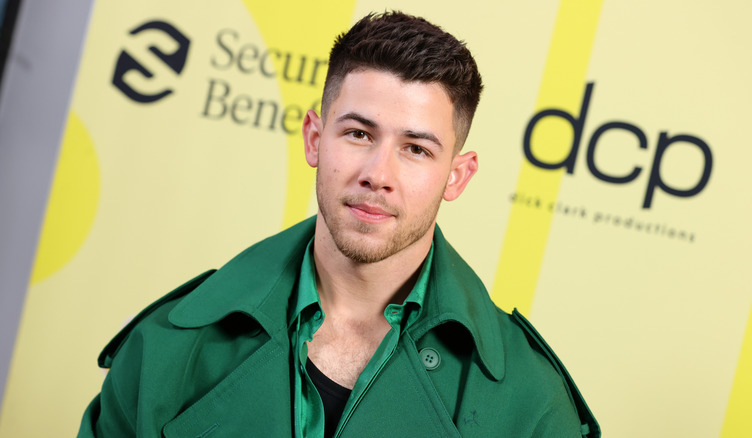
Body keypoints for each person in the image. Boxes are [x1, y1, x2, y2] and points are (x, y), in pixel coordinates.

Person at [78, 11, 599, 438]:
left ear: (457, 177)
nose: (378, 175)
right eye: (358, 134)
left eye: (416, 149)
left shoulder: (532, 405)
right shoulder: (166, 348)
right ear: (314, 139)